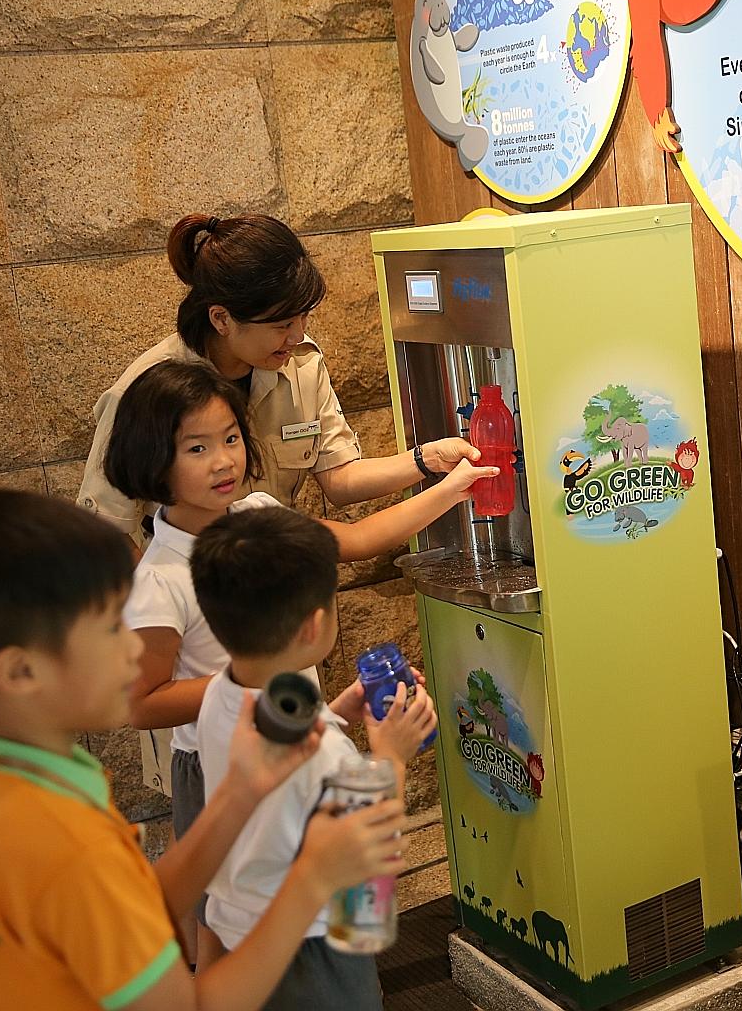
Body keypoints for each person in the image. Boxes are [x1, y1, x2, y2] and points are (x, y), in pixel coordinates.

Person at [0, 489, 408, 1011]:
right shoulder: (64, 840)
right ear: (21, 672)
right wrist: (311, 881)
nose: (136, 646)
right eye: (113, 627)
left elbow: (135, 901)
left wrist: (239, 794)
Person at [103, 359, 489, 964]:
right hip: (225, 768)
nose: (224, 461)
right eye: (197, 448)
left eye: (231, 438)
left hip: (279, 738)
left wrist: (449, 488)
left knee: (247, 913)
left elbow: (353, 540)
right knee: (261, 913)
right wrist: (383, 754)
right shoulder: (161, 580)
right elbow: (367, 879)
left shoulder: (258, 516)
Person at [79, 212, 480, 546]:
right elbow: (107, 532)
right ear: (221, 319)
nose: (296, 336)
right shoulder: (147, 392)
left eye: (303, 318)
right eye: (282, 324)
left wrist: (427, 460)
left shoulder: (299, 366)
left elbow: (343, 491)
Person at [189, 507, 438, 1011]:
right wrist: (391, 757)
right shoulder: (323, 753)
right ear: (314, 625)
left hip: (241, 933)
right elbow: (368, 871)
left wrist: (333, 713)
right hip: (314, 949)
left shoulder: (221, 694)